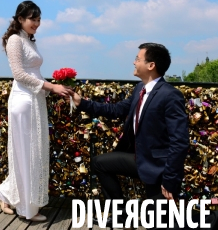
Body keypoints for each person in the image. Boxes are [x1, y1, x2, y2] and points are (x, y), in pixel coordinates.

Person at [72, 43, 189, 227]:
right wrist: (82, 103)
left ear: (151, 65)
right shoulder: (139, 90)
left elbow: (180, 142)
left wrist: (169, 180)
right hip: (140, 160)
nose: (134, 62)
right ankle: (121, 216)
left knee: (167, 223)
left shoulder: (170, 95)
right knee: (99, 163)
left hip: (158, 169)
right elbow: (116, 109)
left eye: (138, 58)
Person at [0, 0, 74, 222]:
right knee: (26, 152)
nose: (36, 23)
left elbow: (34, 74)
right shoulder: (14, 40)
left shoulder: (28, 40)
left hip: (36, 99)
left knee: (33, 151)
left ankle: (6, 193)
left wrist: (57, 84)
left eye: (39, 19)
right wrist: (52, 86)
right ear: (20, 19)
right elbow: (19, 74)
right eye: (33, 19)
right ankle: (27, 209)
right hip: (22, 101)